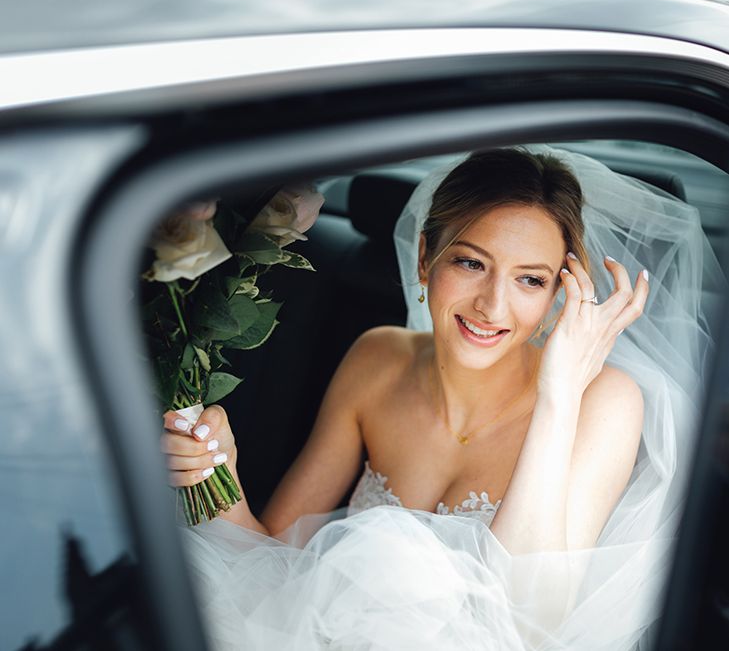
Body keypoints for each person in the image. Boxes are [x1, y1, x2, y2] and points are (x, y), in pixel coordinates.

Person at [161, 146, 724, 650]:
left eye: (530, 280)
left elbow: (532, 624)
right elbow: (273, 569)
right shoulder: (378, 357)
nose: (492, 306)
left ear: (560, 290)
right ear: (426, 257)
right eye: (472, 263)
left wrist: (559, 395)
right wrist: (219, 476)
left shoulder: (605, 401)